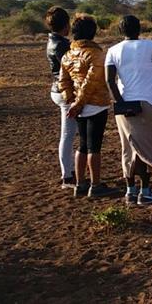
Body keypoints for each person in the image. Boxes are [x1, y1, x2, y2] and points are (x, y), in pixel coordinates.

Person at [105, 15, 152, 206]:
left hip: (123, 104)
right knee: (144, 147)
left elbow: (110, 80)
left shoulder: (113, 50)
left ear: (120, 31)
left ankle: (130, 191)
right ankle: (145, 192)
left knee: (128, 146)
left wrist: (121, 103)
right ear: (139, 29)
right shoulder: (151, 46)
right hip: (146, 102)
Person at [58, 14, 115, 198]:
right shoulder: (96, 54)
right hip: (95, 104)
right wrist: (78, 103)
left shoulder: (68, 54)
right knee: (94, 147)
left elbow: (63, 81)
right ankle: (95, 185)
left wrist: (71, 102)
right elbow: (90, 84)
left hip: (78, 107)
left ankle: (81, 183)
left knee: (82, 145)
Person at [46, 6, 77, 189]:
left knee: (69, 134)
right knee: (67, 134)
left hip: (56, 90)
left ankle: (70, 172)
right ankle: (67, 176)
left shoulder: (51, 41)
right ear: (66, 25)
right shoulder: (63, 45)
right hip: (64, 92)